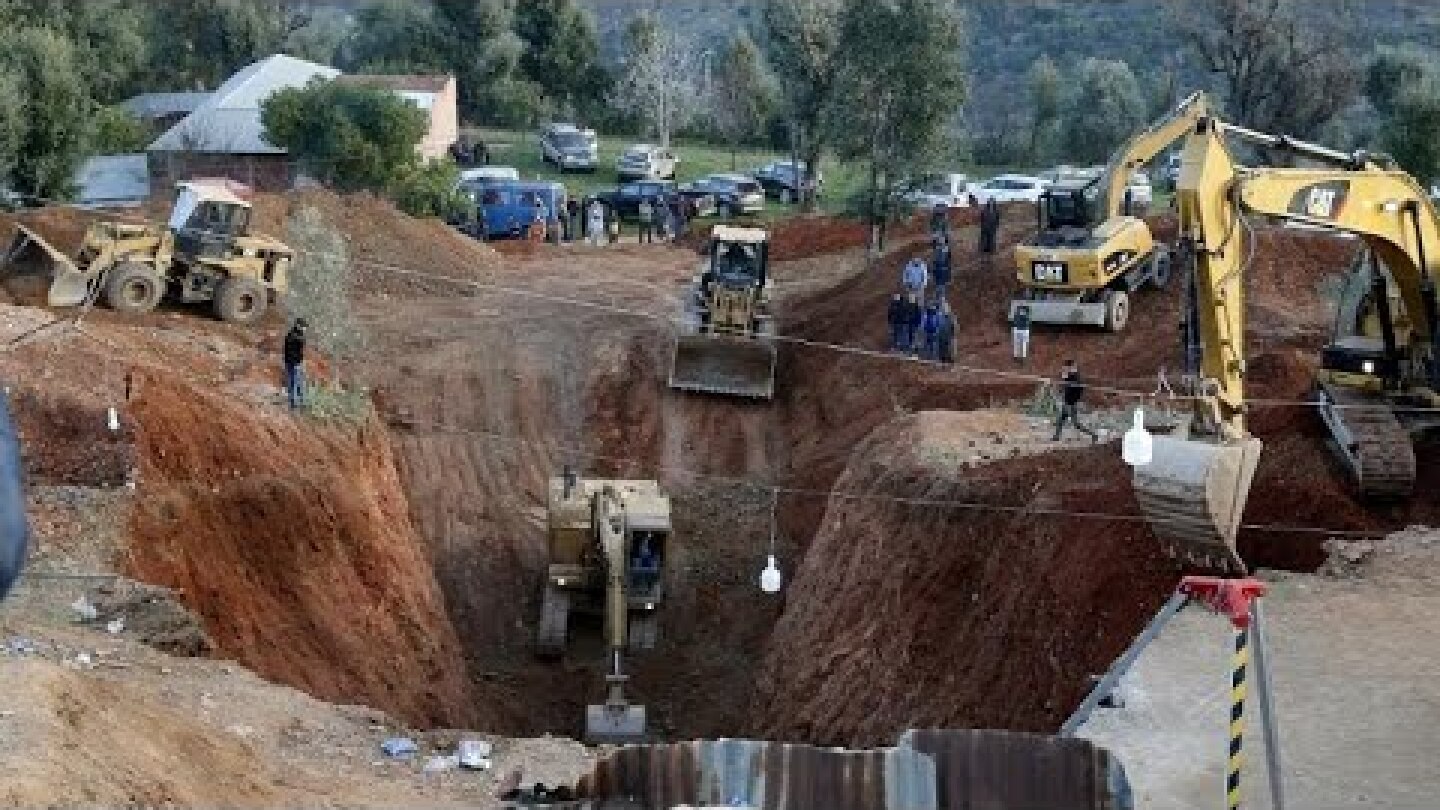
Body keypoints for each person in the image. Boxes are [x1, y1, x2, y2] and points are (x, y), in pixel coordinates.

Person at [1053, 359, 1098, 442]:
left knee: (1076, 424)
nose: (1064, 370)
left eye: (1066, 368)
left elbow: (1076, 389)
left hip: (1071, 404)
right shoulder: (1072, 377)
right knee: (1060, 420)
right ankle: (1056, 436)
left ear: (1070, 368)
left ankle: (1093, 435)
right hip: (1067, 403)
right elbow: (1066, 386)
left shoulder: (1075, 378)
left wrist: (1065, 379)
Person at [283, 318, 307, 411]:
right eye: (303, 327)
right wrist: (298, 362)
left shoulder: (290, 334)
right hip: (295, 363)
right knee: (296, 382)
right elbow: (298, 349)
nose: (305, 329)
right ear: (299, 326)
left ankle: (294, 402)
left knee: (292, 382)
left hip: (289, 362)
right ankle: (296, 403)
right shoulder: (297, 337)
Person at [931, 235, 952, 303]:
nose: (941, 241)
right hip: (938, 269)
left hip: (943, 269)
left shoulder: (946, 249)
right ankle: (937, 300)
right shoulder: (936, 249)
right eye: (940, 240)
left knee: (941, 288)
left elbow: (949, 261)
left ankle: (940, 300)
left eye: (942, 240)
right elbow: (934, 261)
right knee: (938, 287)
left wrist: (948, 276)